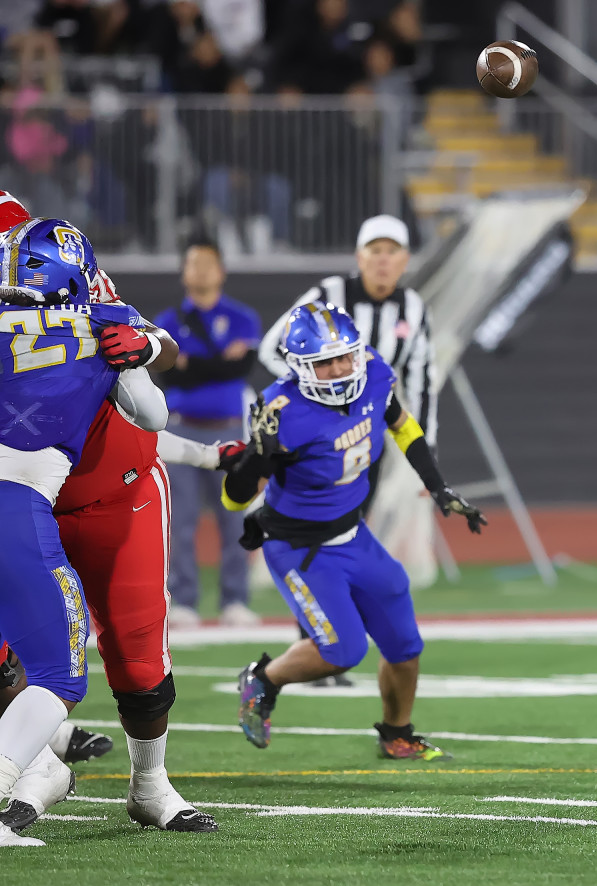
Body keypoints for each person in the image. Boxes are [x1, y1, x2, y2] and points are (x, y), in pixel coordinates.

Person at [0, 194, 220, 837]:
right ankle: (38, 766)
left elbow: (157, 355)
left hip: (113, 487)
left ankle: (150, 785)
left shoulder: (47, 256)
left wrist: (147, 346)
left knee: (136, 654)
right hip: (26, 494)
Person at [222, 302, 485, 760]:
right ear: (301, 368)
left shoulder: (376, 375)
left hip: (353, 533)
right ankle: (263, 679)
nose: (341, 369)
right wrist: (255, 457)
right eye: (325, 362)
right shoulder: (282, 410)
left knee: (405, 644)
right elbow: (234, 498)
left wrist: (438, 486)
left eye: (345, 356)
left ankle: (396, 732)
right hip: (299, 545)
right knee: (342, 651)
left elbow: (401, 424)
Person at [260, 215, 439, 589]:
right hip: (317, 438)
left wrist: (426, 450)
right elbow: (273, 346)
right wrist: (314, 398)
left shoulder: (414, 308)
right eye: (375, 251)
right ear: (360, 257)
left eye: (392, 251)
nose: (384, 260)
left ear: (405, 260)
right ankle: (315, 624)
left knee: (351, 530)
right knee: (315, 528)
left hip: (367, 441)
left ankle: (332, 620)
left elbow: (421, 381)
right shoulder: (330, 295)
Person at [154, 239, 261, 629]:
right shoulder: (166, 321)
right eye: (192, 263)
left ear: (221, 271)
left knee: (234, 516)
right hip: (180, 429)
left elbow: (239, 369)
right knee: (179, 520)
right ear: (184, 272)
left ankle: (235, 599)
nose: (200, 270)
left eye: (207, 263)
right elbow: (168, 373)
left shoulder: (242, 317)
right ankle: (183, 600)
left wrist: (193, 363)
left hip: (229, 428)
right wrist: (215, 362)